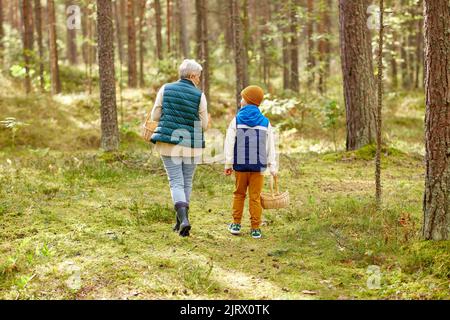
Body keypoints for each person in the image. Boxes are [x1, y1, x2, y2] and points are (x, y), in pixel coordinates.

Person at [150, 59, 209, 237]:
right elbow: (204, 125)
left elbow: (155, 115)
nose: (199, 80)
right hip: (191, 144)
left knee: (176, 181)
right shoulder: (200, 95)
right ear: (191, 76)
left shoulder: (165, 88)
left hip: (169, 142)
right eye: (198, 77)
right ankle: (182, 221)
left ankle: (182, 220)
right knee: (186, 182)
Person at [224, 85, 277, 239]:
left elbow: (229, 143)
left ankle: (236, 224)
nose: (241, 100)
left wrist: (228, 164)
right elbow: (270, 146)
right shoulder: (265, 122)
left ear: (247, 101)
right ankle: (255, 228)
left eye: (242, 97)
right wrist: (272, 165)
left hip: (240, 165)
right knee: (255, 196)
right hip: (258, 167)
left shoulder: (237, 120)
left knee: (239, 194)